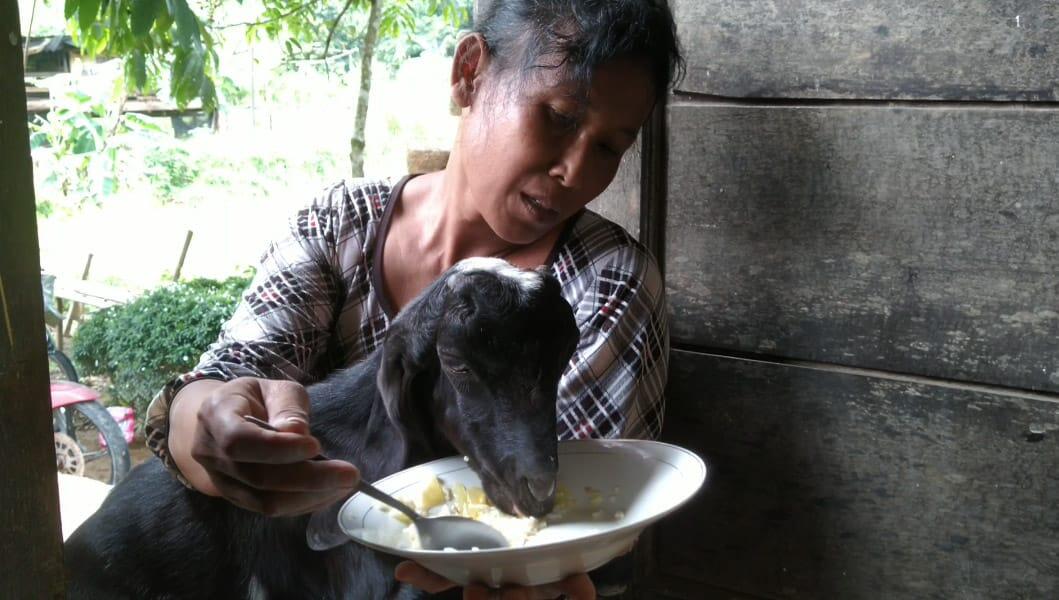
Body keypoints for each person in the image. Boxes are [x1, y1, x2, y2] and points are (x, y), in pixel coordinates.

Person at [144, 0, 683, 597]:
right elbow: (227, 384)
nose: (575, 171)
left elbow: (570, 514)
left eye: (609, 147)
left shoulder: (603, 284)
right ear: (469, 73)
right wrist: (206, 427)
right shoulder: (341, 228)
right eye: (557, 116)